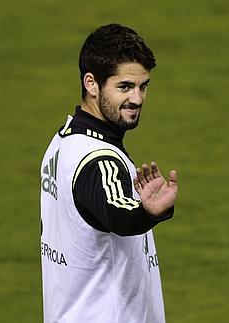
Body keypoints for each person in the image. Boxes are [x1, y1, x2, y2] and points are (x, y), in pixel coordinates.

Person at [40, 23, 179, 323]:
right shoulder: (99, 160)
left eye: (144, 86)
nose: (138, 99)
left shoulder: (63, 142)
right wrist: (147, 212)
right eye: (125, 87)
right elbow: (116, 211)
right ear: (92, 84)